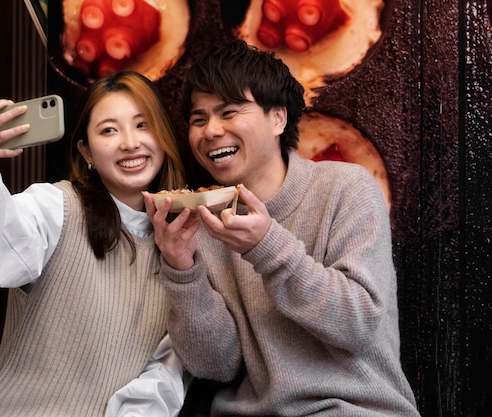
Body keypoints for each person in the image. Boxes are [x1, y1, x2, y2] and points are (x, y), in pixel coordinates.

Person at [143, 40, 421, 416]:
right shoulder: (205, 222)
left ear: (279, 118)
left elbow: (359, 323)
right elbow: (216, 365)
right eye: (198, 118)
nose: (210, 131)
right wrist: (182, 269)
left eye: (228, 112)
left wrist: (266, 246)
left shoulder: (346, 188)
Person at [0, 71, 190, 416]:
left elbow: (163, 375)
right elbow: (2, 253)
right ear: (86, 151)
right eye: (109, 130)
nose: (129, 142)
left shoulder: (178, 242)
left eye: (143, 125)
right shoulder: (57, 206)